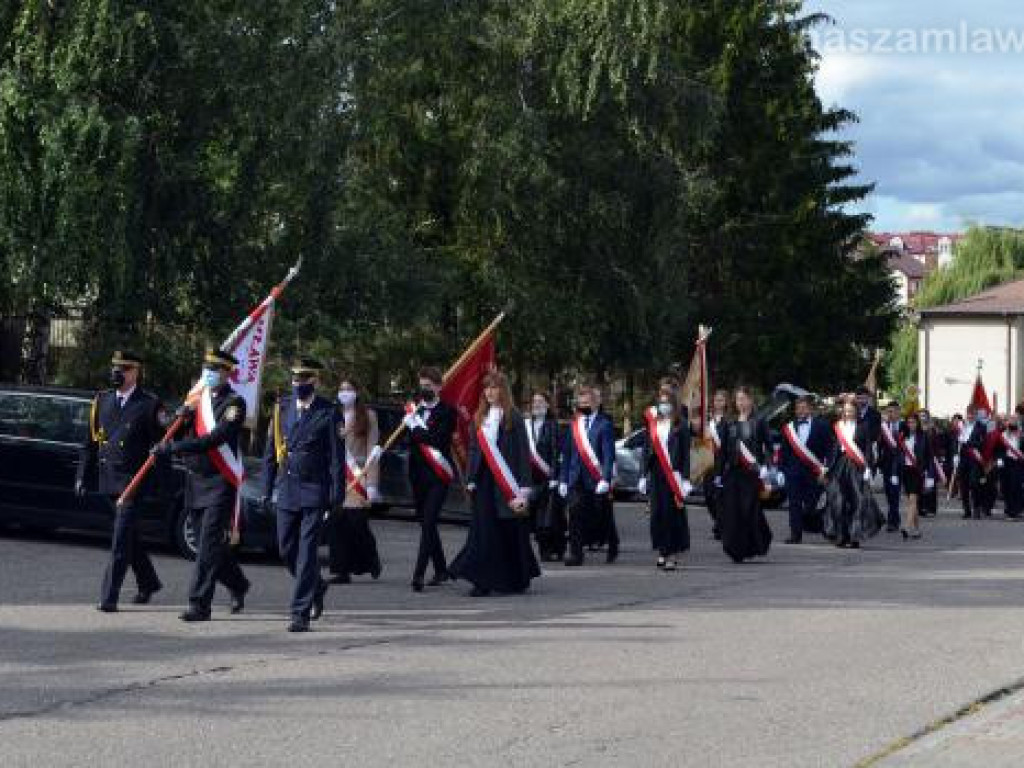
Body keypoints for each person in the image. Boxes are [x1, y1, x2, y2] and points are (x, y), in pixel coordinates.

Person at [152, 348, 250, 622]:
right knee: (207, 546)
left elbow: (215, 439)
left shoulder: (234, 404)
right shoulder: (198, 400)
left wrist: (175, 448)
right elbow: (174, 429)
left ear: (227, 373)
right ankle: (238, 583)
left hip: (220, 481)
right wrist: (180, 416)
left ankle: (199, 604)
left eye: (214, 369)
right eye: (206, 368)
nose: (208, 373)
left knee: (207, 545)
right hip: (195, 480)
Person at [77, 351, 166, 613]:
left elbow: (163, 444)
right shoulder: (102, 400)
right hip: (108, 480)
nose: (118, 372)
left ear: (135, 372)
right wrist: (82, 475)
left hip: (132, 483)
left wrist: (162, 483)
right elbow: (90, 443)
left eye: (124, 368)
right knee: (129, 537)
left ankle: (109, 597)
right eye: (115, 367)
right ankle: (149, 582)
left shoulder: (149, 404)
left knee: (119, 541)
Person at [261, 358, 341, 633]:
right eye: (295, 379)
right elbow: (271, 452)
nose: (298, 384)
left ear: (315, 381)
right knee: (286, 549)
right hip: (287, 488)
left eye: (304, 379)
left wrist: (337, 494)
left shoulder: (328, 411)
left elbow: (336, 458)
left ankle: (300, 613)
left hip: (313, 490)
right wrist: (265, 487)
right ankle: (316, 585)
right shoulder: (281, 409)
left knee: (307, 553)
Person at [450, 372, 540, 596]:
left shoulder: (514, 418)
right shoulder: (479, 417)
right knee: (483, 531)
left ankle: (517, 576)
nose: (489, 392)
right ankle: (482, 581)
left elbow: (522, 453)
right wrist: (470, 478)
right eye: (486, 388)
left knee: (508, 530)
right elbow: (473, 451)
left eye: (494, 387)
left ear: (503, 390)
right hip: (483, 482)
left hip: (506, 481)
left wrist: (524, 488)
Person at [404, 366, 457, 592]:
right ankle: (442, 569)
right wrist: (411, 424)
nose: (424, 389)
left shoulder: (448, 411)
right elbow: (409, 443)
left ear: (439, 386)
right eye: (422, 385)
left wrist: (415, 428)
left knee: (428, 523)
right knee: (426, 523)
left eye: (429, 386)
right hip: (417, 474)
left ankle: (418, 574)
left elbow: (438, 440)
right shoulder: (413, 411)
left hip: (438, 475)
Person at [329, 376, 383, 582]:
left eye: (349, 389)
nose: (345, 393)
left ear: (357, 392)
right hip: (338, 476)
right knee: (337, 524)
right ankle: (341, 571)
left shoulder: (368, 416)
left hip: (358, 475)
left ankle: (371, 558)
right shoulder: (333, 414)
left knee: (357, 524)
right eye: (341, 389)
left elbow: (372, 450)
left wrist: (372, 484)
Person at [558, 384, 616, 567]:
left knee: (602, 514)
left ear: (595, 403)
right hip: (576, 478)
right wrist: (563, 480)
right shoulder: (574, 426)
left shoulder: (604, 425)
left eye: (586, 402)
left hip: (596, 477)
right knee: (574, 513)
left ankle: (613, 543)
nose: (582, 406)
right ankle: (575, 553)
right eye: (580, 403)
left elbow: (608, 455)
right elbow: (566, 454)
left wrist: (606, 479)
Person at [715, 386, 773, 563]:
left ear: (750, 400)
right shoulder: (729, 422)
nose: (740, 403)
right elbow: (723, 450)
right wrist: (718, 473)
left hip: (751, 474)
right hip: (733, 473)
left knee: (749, 510)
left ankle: (754, 544)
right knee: (733, 511)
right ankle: (735, 549)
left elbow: (769, 447)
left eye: (744, 399)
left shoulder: (759, 421)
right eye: (738, 399)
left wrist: (766, 468)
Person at [638, 386, 692, 569]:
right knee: (657, 514)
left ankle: (673, 554)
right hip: (656, 472)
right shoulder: (653, 423)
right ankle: (662, 550)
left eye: (667, 401)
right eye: (661, 401)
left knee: (672, 515)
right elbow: (646, 449)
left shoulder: (681, 424)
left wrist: (685, 479)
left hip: (673, 474)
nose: (664, 405)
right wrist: (642, 475)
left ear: (674, 403)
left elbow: (686, 454)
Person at [824, 398, 881, 549]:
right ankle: (841, 536)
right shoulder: (837, 426)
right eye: (846, 410)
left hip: (856, 466)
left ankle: (855, 536)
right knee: (839, 501)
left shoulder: (863, 426)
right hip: (840, 465)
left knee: (857, 501)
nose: (848, 413)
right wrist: (827, 466)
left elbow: (868, 448)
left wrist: (869, 468)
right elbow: (833, 448)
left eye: (851, 410)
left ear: (856, 411)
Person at [778, 394, 832, 544]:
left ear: (811, 409)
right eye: (798, 408)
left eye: (804, 407)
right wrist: (782, 471)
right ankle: (795, 535)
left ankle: (815, 524)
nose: (801, 411)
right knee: (794, 504)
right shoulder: (788, 428)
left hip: (813, 473)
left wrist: (826, 468)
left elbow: (829, 448)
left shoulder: (821, 425)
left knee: (810, 505)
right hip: (793, 472)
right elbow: (784, 451)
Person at [526, 391, 565, 562]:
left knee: (548, 517)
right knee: (534, 516)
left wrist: (555, 476)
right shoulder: (525, 425)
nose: (537, 404)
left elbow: (557, 453)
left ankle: (549, 549)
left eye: (541, 401)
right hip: (530, 478)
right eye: (534, 401)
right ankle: (543, 548)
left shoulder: (553, 426)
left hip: (548, 477)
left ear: (548, 405)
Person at [897, 411, 933, 540]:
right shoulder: (902, 436)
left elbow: (929, 457)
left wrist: (930, 476)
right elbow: (898, 455)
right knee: (912, 502)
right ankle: (917, 530)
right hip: (905, 470)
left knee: (913, 500)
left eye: (913, 422)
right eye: (909, 422)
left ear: (918, 423)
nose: (911, 425)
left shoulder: (924, 436)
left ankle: (906, 527)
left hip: (917, 471)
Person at [703, 389, 729, 541]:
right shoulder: (708, 421)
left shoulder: (729, 420)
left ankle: (721, 525)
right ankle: (718, 521)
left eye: (721, 400)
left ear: (726, 402)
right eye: (716, 400)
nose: (718, 403)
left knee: (720, 498)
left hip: (722, 464)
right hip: (708, 463)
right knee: (708, 497)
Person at [956, 405, 988, 520]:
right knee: (963, 484)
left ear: (976, 414)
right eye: (968, 413)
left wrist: (969, 443)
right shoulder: (962, 426)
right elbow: (957, 442)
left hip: (974, 458)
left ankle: (977, 508)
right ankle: (967, 510)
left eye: (972, 413)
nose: (970, 415)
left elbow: (983, 443)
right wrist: (956, 454)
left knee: (974, 483)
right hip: (963, 458)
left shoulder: (981, 427)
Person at [878, 401, 903, 532]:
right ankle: (895, 518)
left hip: (900, 465)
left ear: (899, 412)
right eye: (888, 412)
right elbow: (880, 445)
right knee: (889, 493)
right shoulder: (884, 427)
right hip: (887, 465)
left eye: (893, 411)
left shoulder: (904, 426)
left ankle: (892, 521)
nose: (890, 414)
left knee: (895, 492)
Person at [995, 411, 1024, 519]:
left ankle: (1015, 511)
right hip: (1006, 462)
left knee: (1016, 486)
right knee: (1006, 487)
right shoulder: (1002, 434)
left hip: (1018, 463)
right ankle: (1009, 510)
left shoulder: (1021, 434)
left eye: (1015, 420)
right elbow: (997, 450)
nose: (1013, 421)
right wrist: (999, 461)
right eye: (1011, 419)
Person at [918, 409, 945, 518]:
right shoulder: (917, 430)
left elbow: (937, 446)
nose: (922, 418)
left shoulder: (933, 430)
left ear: (928, 417)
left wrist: (938, 459)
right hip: (919, 461)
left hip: (931, 461)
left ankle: (931, 508)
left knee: (931, 485)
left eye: (924, 416)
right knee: (919, 485)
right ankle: (921, 508)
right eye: (920, 416)